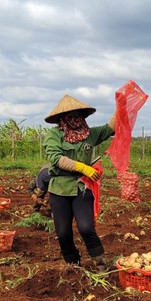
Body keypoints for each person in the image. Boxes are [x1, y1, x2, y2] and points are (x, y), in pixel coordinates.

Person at [42, 94, 115, 272]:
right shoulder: (54, 135)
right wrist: (83, 167)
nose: (75, 118)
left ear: (83, 115)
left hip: (82, 188)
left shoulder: (89, 134)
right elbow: (56, 158)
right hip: (60, 189)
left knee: (86, 227)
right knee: (63, 232)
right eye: (70, 115)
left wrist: (121, 104)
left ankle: (101, 265)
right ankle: (73, 266)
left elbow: (111, 127)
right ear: (62, 118)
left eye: (78, 114)